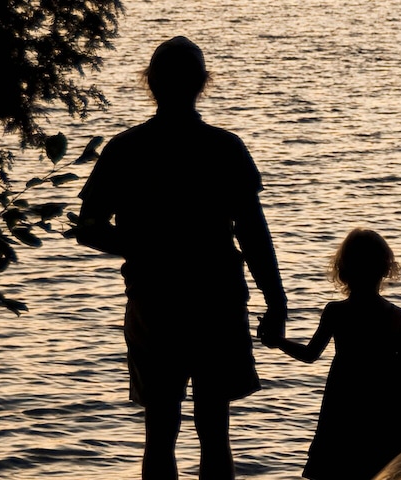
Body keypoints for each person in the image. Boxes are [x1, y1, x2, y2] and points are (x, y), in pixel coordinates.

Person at [74, 36, 289, 480]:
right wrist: (277, 300)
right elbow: (253, 233)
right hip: (217, 301)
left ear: (150, 83)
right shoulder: (225, 148)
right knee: (215, 430)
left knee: (160, 431)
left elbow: (88, 229)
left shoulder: (126, 148)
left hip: (154, 301)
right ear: (202, 84)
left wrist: (144, 248)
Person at [270, 227, 401, 480]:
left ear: (344, 270)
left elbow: (309, 354)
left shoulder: (336, 312)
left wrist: (280, 342)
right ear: (384, 269)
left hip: (343, 403)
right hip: (381, 404)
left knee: (337, 468)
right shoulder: (395, 315)